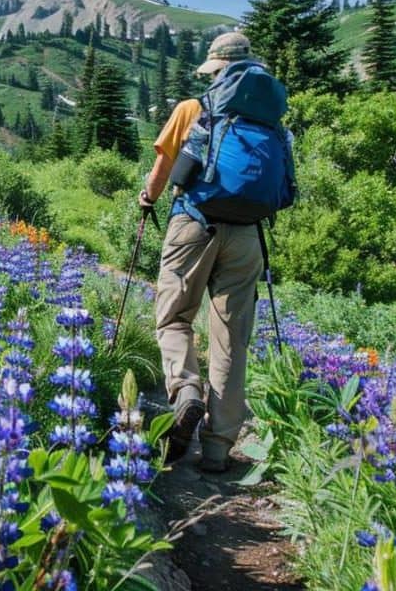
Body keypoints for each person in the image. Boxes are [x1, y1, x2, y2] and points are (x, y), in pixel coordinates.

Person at [139, 31, 264, 473]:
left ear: (215, 69)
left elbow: (163, 169)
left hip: (194, 223)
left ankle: (185, 392)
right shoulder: (268, 117)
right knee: (232, 339)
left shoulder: (193, 108)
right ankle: (217, 448)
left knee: (174, 316)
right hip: (248, 235)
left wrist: (147, 200)